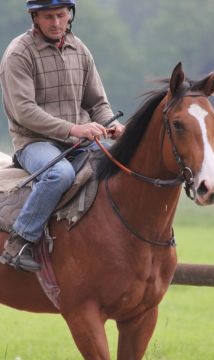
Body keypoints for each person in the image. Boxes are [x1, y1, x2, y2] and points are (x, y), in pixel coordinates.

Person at [0, 0, 125, 272]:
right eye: (48, 17)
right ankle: (19, 241)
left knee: (119, 166)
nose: (56, 23)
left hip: (78, 141)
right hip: (34, 143)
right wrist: (74, 129)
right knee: (60, 174)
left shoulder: (79, 49)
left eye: (60, 15)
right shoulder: (18, 54)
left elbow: (97, 103)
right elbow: (24, 111)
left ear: (70, 14)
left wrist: (113, 126)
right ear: (35, 18)